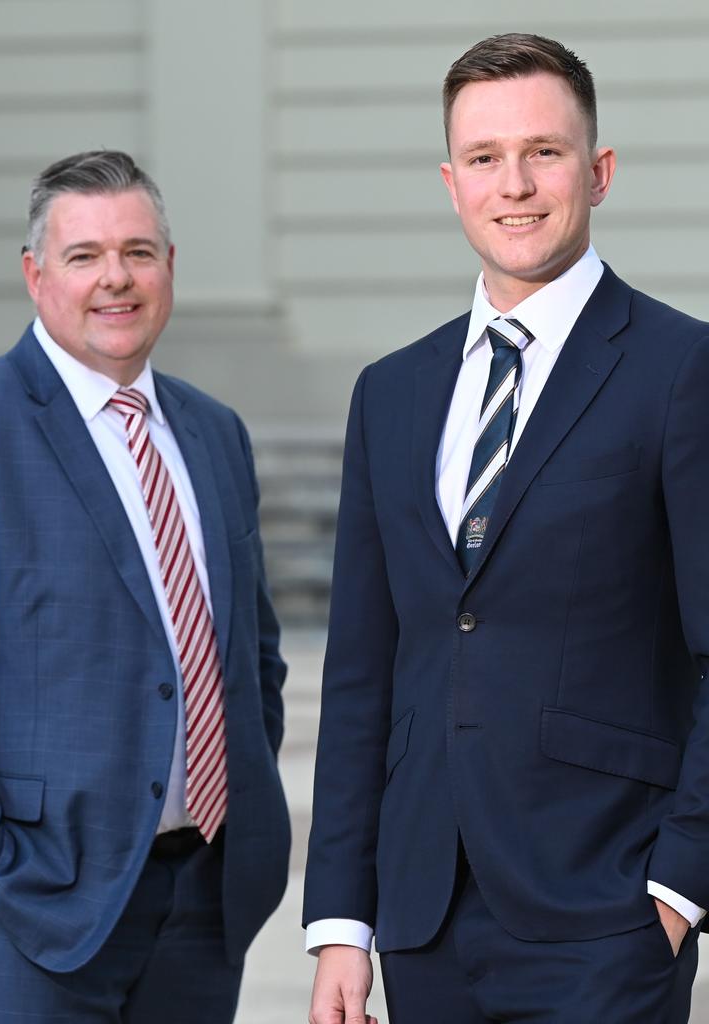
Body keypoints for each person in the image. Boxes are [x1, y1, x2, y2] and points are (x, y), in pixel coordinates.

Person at [304, 32, 709, 1024]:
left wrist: (677, 891)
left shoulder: (680, 370)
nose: (515, 184)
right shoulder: (391, 393)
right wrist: (340, 925)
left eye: (546, 152)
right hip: (424, 921)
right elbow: (364, 671)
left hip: (605, 917)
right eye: (485, 158)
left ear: (599, 171)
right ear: (451, 182)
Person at [0, 149, 289, 1023]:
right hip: (30, 912)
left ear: (169, 267)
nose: (116, 279)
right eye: (85, 255)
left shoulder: (214, 432)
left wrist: (234, 801)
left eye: (138, 251)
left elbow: (252, 655)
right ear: (35, 274)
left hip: (202, 903)